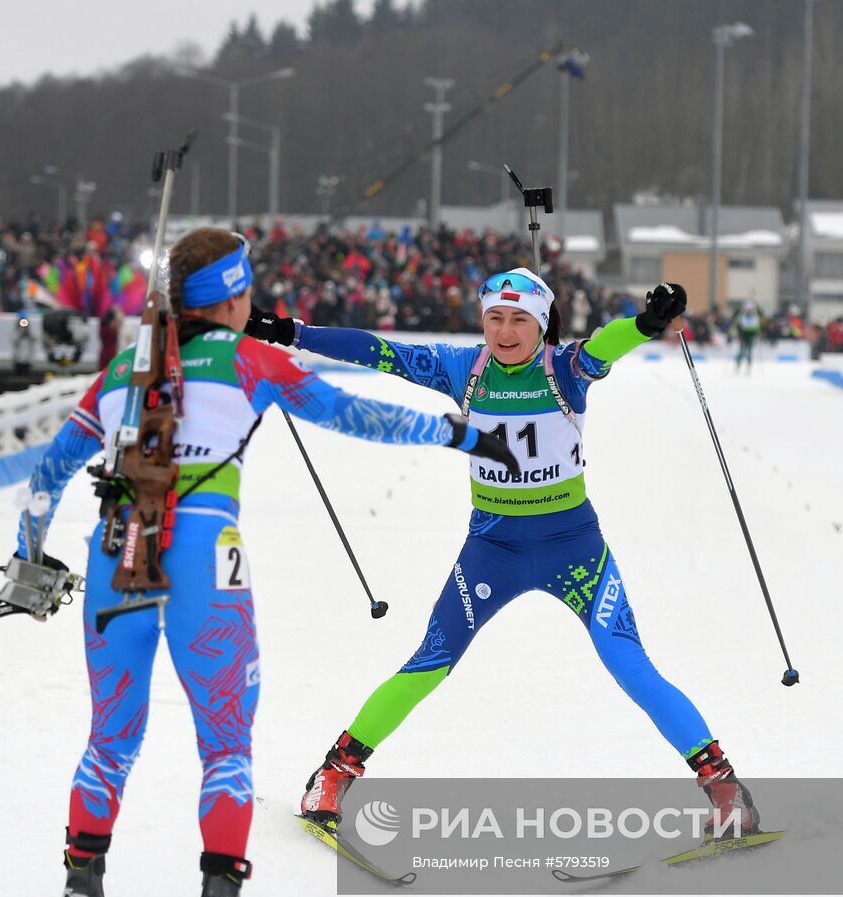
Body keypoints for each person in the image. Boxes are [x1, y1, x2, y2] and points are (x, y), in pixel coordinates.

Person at [0, 228, 517, 897]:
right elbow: (354, 414)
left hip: (117, 550)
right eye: (246, 293)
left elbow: (43, 478)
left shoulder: (122, 368)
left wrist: (27, 564)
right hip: (206, 556)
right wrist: (455, 434)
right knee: (225, 744)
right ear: (233, 298)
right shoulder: (252, 360)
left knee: (110, 737)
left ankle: (81, 895)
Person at [244, 268, 761, 843]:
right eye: (495, 318)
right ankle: (335, 772)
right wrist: (290, 331)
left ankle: (723, 786)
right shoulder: (462, 369)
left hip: (574, 549)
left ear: (541, 325)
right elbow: (379, 350)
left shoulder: (565, 368)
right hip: (493, 548)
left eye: (520, 320)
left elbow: (607, 344)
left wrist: (646, 324)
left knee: (631, 666)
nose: (506, 331)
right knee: (429, 663)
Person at [733, 299, 762, 372]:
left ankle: (748, 366)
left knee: (749, 351)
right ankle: (738, 365)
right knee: (741, 351)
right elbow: (738, 325)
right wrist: (738, 333)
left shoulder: (755, 316)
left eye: (750, 309)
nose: (749, 310)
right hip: (743, 334)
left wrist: (758, 334)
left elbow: (757, 326)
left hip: (751, 335)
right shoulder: (742, 315)